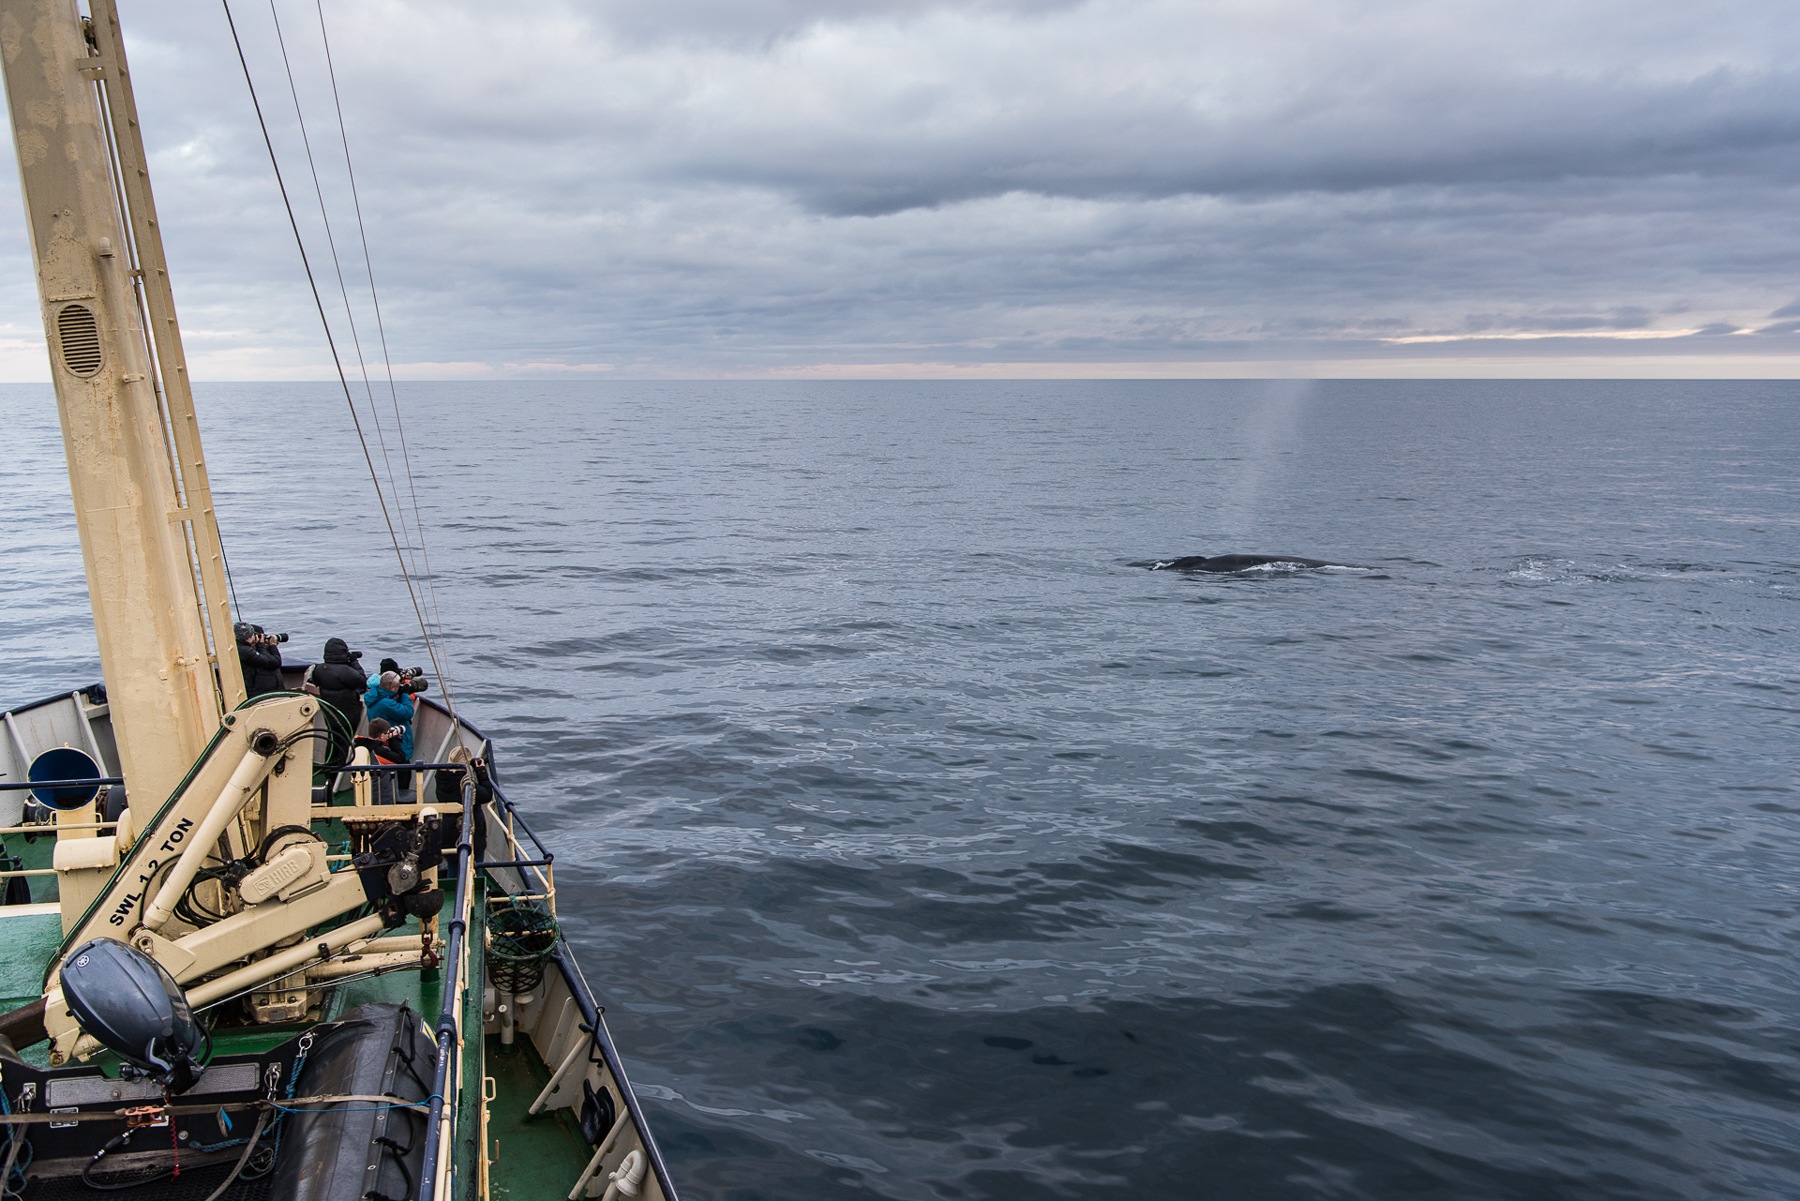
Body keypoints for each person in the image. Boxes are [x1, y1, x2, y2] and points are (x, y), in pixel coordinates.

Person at [304, 637, 367, 767]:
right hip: (347, 714)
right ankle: (338, 773)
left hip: (330, 713)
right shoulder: (345, 670)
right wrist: (354, 662)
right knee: (344, 744)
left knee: (332, 742)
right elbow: (361, 680)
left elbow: (316, 681)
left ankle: (329, 771)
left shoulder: (320, 669)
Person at [364, 670, 416, 760]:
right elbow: (407, 713)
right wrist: (405, 694)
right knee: (402, 768)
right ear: (392, 687)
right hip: (395, 743)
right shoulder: (385, 703)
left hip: (382, 741)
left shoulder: (375, 696)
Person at [353, 718, 408, 804]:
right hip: (381, 797)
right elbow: (400, 759)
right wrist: (394, 739)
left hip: (363, 795)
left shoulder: (361, 745)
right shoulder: (377, 751)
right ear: (382, 736)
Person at [234, 622, 285, 698]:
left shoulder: (242, 648)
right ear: (249, 637)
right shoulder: (246, 651)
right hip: (260, 694)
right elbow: (275, 662)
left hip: (266, 691)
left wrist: (262, 646)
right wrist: (271, 646)